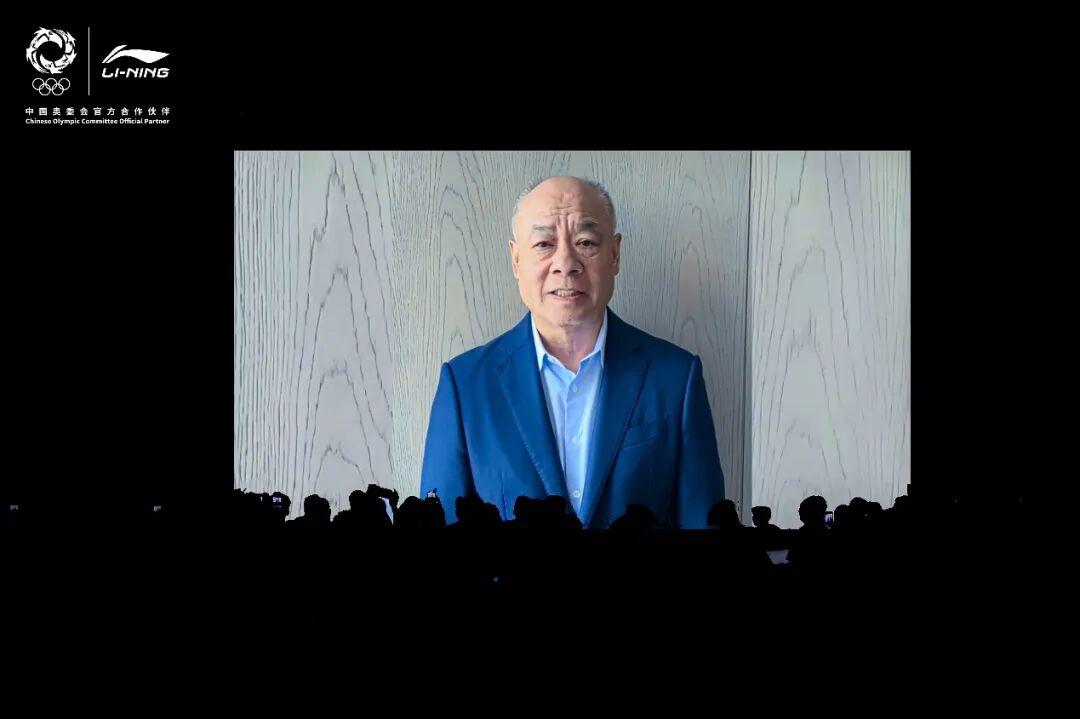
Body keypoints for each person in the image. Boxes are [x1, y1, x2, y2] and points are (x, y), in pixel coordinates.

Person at [419, 176, 725, 528]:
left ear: (615, 254)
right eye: (544, 244)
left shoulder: (675, 377)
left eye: (585, 242)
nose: (565, 263)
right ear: (516, 260)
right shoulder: (465, 386)